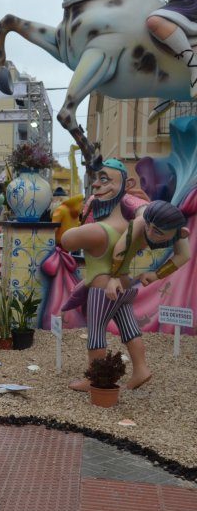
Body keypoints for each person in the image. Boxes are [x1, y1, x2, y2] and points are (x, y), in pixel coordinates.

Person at [61, 159, 150, 392]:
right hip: (124, 286)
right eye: (96, 180)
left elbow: (66, 240)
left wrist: (85, 215)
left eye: (105, 179)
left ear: (125, 185)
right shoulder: (131, 228)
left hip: (103, 291)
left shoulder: (99, 230)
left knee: (96, 332)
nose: (96, 185)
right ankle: (141, 368)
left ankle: (95, 380)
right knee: (130, 328)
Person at [103, 200, 191, 388]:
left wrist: (156, 274)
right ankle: (132, 369)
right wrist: (114, 277)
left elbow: (184, 255)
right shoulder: (141, 223)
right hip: (126, 214)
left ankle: (137, 369)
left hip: (141, 215)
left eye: (158, 231)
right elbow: (120, 248)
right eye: (149, 227)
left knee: (116, 308)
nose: (150, 233)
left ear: (180, 233)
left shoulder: (178, 232)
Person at [147, 0, 197, 98]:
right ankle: (166, 95)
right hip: (177, 5)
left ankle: (194, 69)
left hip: (192, 3)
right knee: (154, 22)